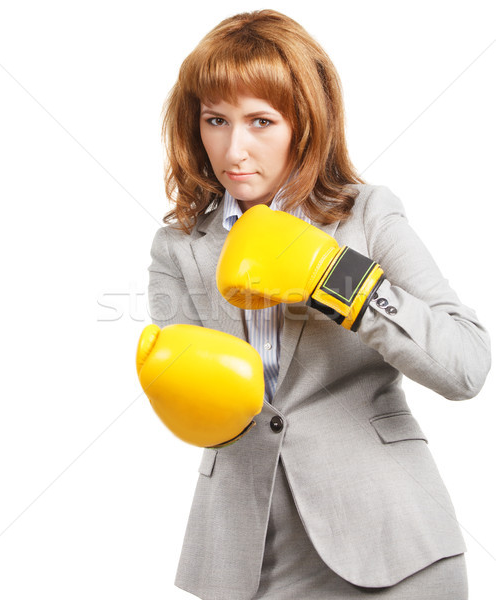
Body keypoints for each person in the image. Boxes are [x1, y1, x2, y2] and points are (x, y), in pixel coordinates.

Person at [146, 9, 491, 600]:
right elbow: (198, 403)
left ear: (304, 122)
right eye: (215, 120)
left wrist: (339, 278)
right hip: (246, 557)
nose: (235, 148)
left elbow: (467, 365)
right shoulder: (179, 246)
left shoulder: (366, 214)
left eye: (261, 120)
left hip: (393, 544)